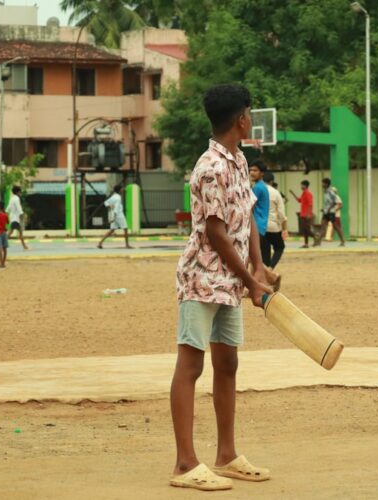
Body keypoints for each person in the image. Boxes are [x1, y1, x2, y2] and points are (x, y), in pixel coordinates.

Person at [170, 83, 273, 492]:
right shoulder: (209, 167)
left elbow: (245, 216)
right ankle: (184, 463)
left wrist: (259, 267)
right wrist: (251, 281)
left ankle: (226, 455)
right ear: (240, 119)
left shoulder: (239, 160)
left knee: (227, 364)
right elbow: (214, 232)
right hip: (202, 279)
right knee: (191, 365)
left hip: (230, 281)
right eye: (249, 111)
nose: (251, 117)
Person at [263, 172, 287, 268]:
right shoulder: (275, 193)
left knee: (265, 251)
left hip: (259, 226)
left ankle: (266, 270)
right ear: (272, 181)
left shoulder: (256, 191)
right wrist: (284, 229)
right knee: (279, 247)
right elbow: (281, 214)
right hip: (273, 226)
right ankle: (270, 268)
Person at [249, 160, 270, 265]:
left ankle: (272, 277)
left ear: (262, 173)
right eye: (251, 170)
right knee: (256, 259)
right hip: (261, 226)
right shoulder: (262, 186)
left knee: (253, 259)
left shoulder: (257, 188)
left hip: (256, 226)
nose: (252, 172)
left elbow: (249, 207)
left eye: (255, 170)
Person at [315, 178, 345, 247]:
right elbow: (328, 203)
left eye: (323, 183)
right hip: (326, 213)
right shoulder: (325, 192)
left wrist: (329, 209)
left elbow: (335, 201)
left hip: (331, 212)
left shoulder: (331, 192)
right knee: (323, 226)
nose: (322, 184)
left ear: (326, 184)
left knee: (336, 227)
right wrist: (324, 209)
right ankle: (318, 242)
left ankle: (342, 241)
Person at [289, 180, 315, 248]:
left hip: (306, 214)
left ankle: (316, 237)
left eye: (302, 185)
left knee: (306, 229)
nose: (301, 186)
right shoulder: (304, 193)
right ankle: (306, 243)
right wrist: (293, 194)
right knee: (305, 229)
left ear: (305, 186)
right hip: (303, 214)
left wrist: (309, 214)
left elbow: (310, 204)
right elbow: (299, 200)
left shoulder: (308, 194)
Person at [7, 186, 29, 250]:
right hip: (16, 219)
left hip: (12, 218)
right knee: (18, 232)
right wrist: (22, 215)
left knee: (12, 232)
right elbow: (19, 208)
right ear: (18, 192)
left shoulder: (11, 198)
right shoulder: (16, 198)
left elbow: (8, 207)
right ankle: (24, 246)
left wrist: (5, 212)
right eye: (20, 192)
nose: (20, 193)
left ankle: (24, 246)